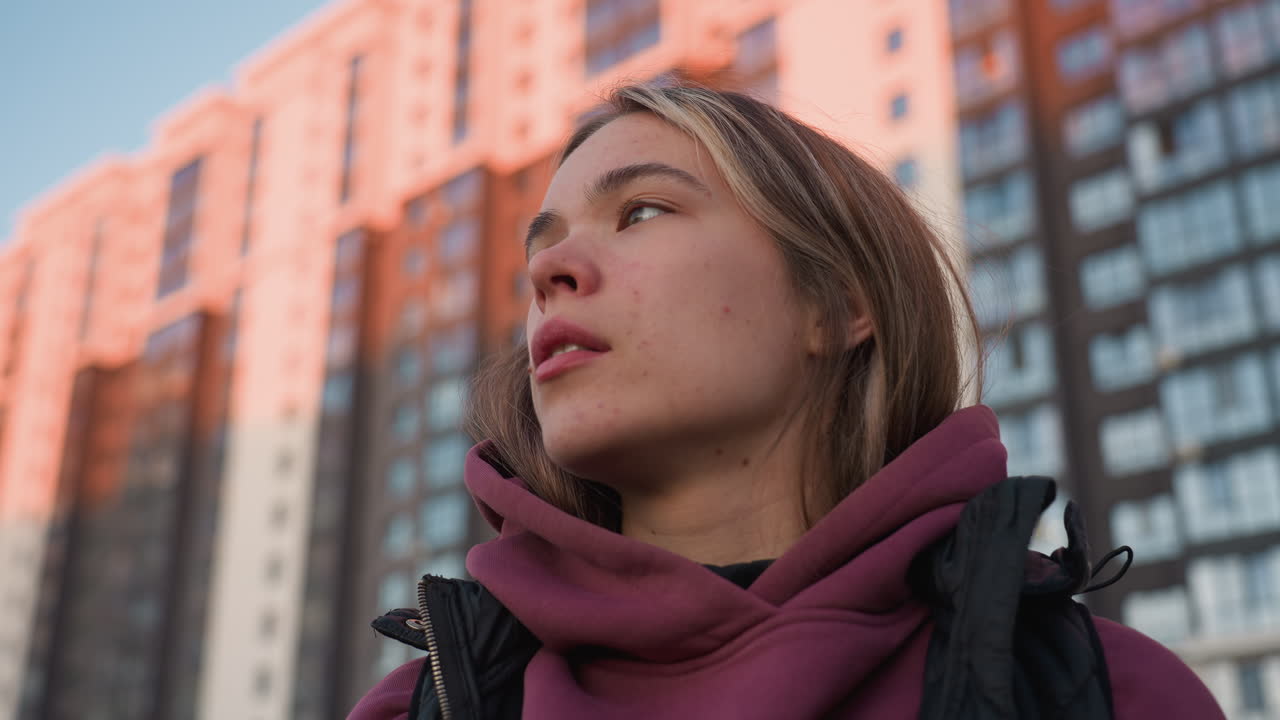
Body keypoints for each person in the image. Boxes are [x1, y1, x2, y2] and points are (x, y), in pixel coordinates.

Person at [349, 82, 1224, 719]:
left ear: (840, 303)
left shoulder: (1109, 694)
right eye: (542, 247)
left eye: (643, 213)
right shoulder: (413, 709)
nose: (546, 272)